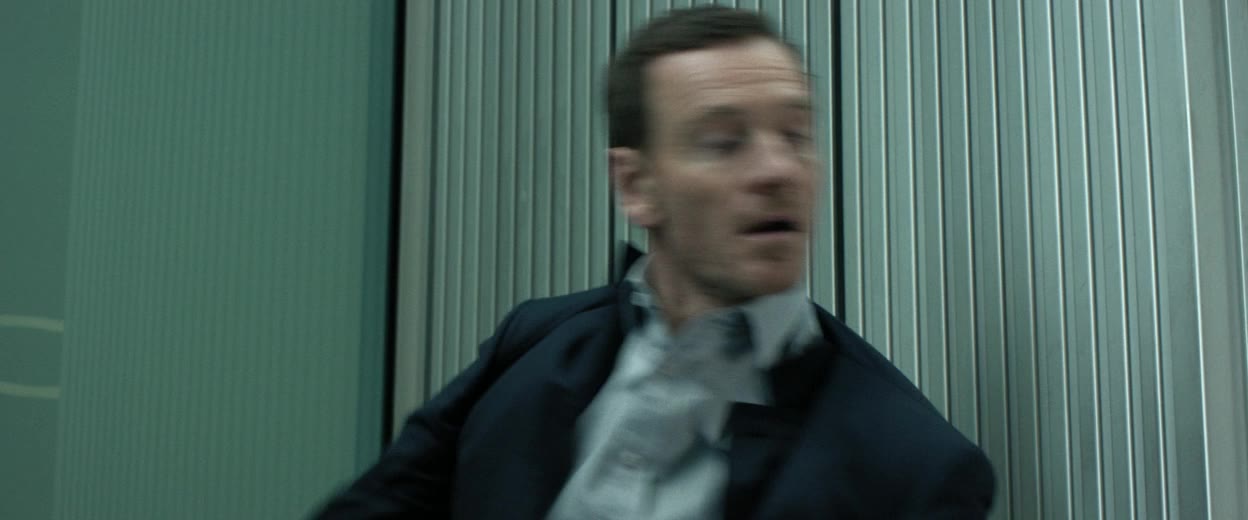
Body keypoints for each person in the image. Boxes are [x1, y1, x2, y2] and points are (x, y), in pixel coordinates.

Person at [316, 6, 994, 519]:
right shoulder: (532, 343)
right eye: (723, 142)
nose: (779, 169)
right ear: (636, 186)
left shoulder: (911, 467)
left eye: (796, 134)